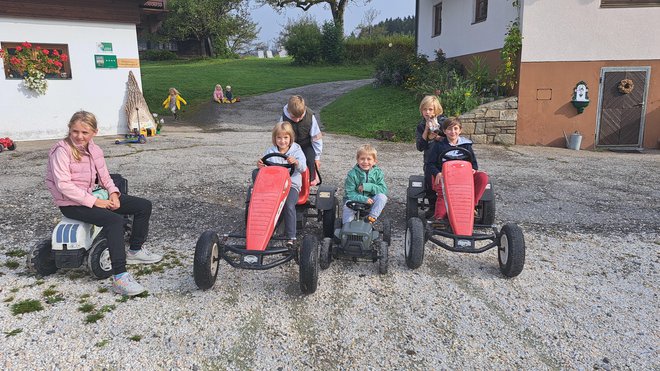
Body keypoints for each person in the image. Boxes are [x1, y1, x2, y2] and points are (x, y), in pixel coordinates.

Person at [45, 111, 162, 296]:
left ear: (94, 132)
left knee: (143, 206)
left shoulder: (95, 150)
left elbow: (105, 177)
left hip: (94, 196)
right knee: (114, 220)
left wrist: (114, 194)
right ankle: (120, 277)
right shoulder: (62, 151)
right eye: (75, 131)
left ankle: (135, 250)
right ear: (69, 129)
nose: (79, 136)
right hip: (71, 203)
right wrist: (96, 202)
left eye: (85, 132)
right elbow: (63, 186)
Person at [426, 117, 489, 221]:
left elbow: (473, 163)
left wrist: (473, 169)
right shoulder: (439, 145)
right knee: (443, 191)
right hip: (444, 175)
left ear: (460, 130)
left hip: (463, 177)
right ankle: (439, 217)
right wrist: (437, 173)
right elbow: (430, 164)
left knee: (483, 177)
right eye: (449, 129)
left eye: (455, 129)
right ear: (444, 131)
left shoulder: (466, 145)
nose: (453, 132)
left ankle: (471, 206)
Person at [256, 122, 307, 247]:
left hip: (291, 185)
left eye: (285, 138)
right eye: (279, 138)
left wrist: (296, 162)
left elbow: (303, 168)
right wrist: (261, 166)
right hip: (274, 186)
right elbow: (266, 169)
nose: (282, 141)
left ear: (290, 138)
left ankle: (291, 237)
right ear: (275, 139)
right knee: (262, 202)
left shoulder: (296, 150)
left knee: (289, 205)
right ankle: (261, 232)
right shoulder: (271, 151)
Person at [280, 95, 323, 186]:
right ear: (288, 111)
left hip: (305, 144)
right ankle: (287, 181)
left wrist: (317, 157)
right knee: (285, 161)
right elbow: (279, 134)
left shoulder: (310, 117)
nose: (297, 120)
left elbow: (316, 137)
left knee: (310, 158)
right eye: (293, 117)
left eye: (300, 117)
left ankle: (309, 181)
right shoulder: (284, 118)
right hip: (290, 146)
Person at [415, 95, 446, 218]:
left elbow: (453, 139)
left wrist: (438, 137)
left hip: (446, 158)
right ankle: (433, 206)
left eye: (430, 109)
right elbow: (420, 147)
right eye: (425, 109)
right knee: (429, 179)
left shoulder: (444, 122)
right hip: (430, 159)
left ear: (436, 110)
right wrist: (426, 130)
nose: (427, 112)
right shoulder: (421, 125)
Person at [342, 144, 388, 225]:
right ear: (357, 159)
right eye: (362, 159)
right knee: (347, 206)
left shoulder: (378, 173)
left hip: (371, 200)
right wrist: (363, 199)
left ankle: (371, 218)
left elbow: (383, 190)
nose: (365, 162)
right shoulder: (352, 174)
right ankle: (347, 226)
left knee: (382, 197)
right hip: (355, 200)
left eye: (369, 159)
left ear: (374, 161)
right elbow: (350, 193)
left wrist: (367, 187)